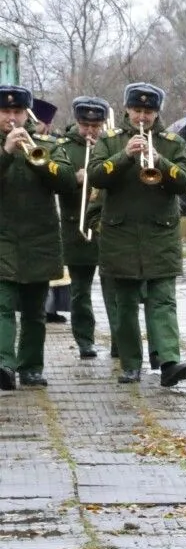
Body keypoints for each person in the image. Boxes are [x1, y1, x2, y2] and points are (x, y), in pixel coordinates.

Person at [92, 84, 186, 387]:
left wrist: (158, 160)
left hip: (159, 233)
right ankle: (130, 364)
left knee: (162, 301)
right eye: (137, 110)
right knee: (124, 305)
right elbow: (97, 176)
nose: (142, 116)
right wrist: (125, 155)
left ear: (157, 113)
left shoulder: (172, 142)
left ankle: (168, 363)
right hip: (120, 234)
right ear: (126, 109)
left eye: (148, 111)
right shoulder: (110, 141)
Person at [0, 85, 63, 390]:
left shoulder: (48, 143)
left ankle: (31, 368)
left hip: (39, 238)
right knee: (2, 305)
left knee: (35, 311)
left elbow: (66, 180)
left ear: (27, 114)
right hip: (2, 237)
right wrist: (6, 152)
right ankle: (3, 365)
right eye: (6, 112)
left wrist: (40, 160)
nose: (12, 118)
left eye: (17, 112)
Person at [45, 97, 112, 362]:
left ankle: (120, 341)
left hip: (108, 229)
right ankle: (85, 341)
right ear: (77, 122)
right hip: (76, 228)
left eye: (96, 126)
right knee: (80, 291)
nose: (90, 131)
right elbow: (52, 183)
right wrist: (75, 178)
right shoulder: (62, 148)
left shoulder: (111, 145)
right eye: (85, 125)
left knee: (114, 291)